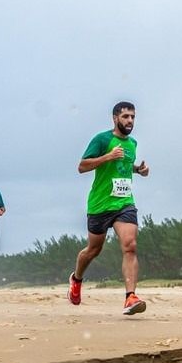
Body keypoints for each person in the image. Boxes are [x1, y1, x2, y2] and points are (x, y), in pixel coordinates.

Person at [69, 102, 149, 315]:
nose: (130, 121)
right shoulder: (102, 139)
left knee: (130, 245)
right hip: (100, 204)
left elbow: (123, 166)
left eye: (133, 117)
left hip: (124, 203)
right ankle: (76, 278)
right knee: (93, 250)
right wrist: (108, 156)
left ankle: (130, 297)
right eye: (125, 117)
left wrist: (138, 170)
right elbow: (82, 166)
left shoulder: (133, 143)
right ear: (115, 118)